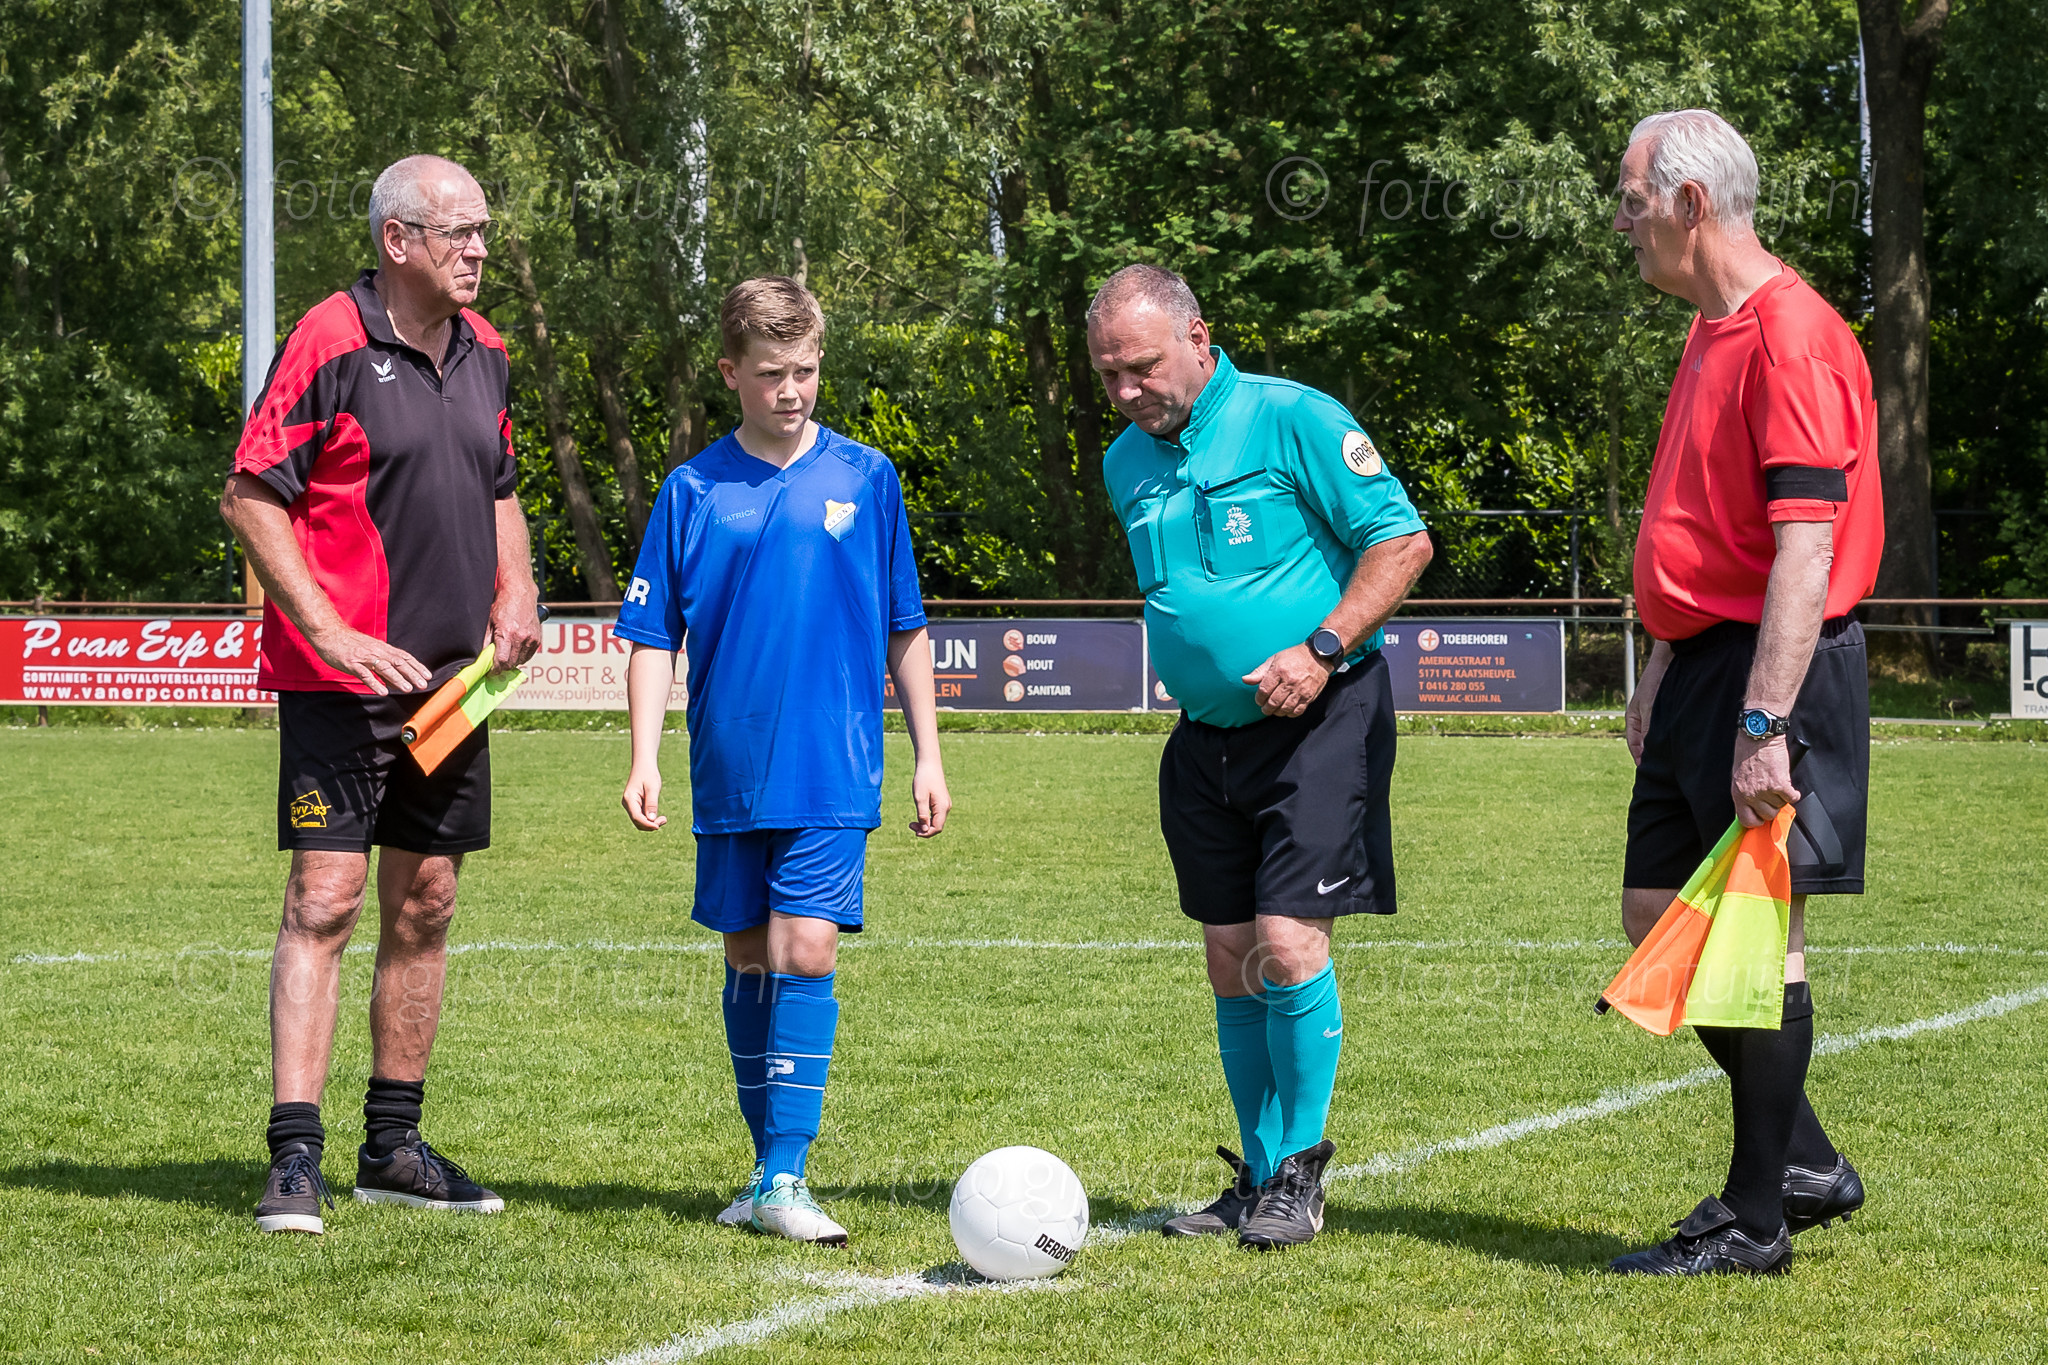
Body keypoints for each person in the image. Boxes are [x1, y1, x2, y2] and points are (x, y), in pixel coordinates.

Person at [221, 155, 541, 1235]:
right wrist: (330, 631)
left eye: (484, 230)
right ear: (398, 240)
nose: (479, 249)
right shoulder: (329, 340)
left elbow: (500, 485)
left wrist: (518, 589)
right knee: (326, 898)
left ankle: (392, 1148)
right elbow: (250, 494)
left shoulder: (488, 349)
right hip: (340, 686)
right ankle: (295, 1156)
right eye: (459, 232)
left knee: (428, 902)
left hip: (454, 687)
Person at [1093, 265, 1434, 1250]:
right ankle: (1253, 1175)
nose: (1126, 391)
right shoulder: (1124, 462)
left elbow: (1401, 542)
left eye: (1141, 367)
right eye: (1108, 375)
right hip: (1205, 741)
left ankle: (1298, 1173)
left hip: (1322, 716)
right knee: (1230, 956)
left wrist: (1320, 648)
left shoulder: (1292, 418)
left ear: (1198, 338)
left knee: (1287, 943)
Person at [617, 275, 951, 1246]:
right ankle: (767, 1170)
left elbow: (904, 625)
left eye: (804, 370)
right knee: (747, 959)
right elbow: (652, 637)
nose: (791, 390)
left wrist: (929, 755)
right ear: (731, 373)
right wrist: (643, 755)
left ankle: (786, 1171)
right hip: (728, 767)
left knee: (805, 949)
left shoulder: (867, 477)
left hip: (832, 764)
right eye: (771, 374)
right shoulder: (691, 490)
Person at [1605, 110, 1881, 1276]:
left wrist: (1762, 722)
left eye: (1628, 202)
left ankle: (1756, 1218)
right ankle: (1803, 1162)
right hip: (1700, 663)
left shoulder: (1791, 336)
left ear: (1687, 205)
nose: (1620, 224)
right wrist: (1662, 661)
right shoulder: (1711, 328)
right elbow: (1699, 527)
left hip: (1771, 671)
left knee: (1759, 939)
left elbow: (1804, 551)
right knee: (1653, 915)